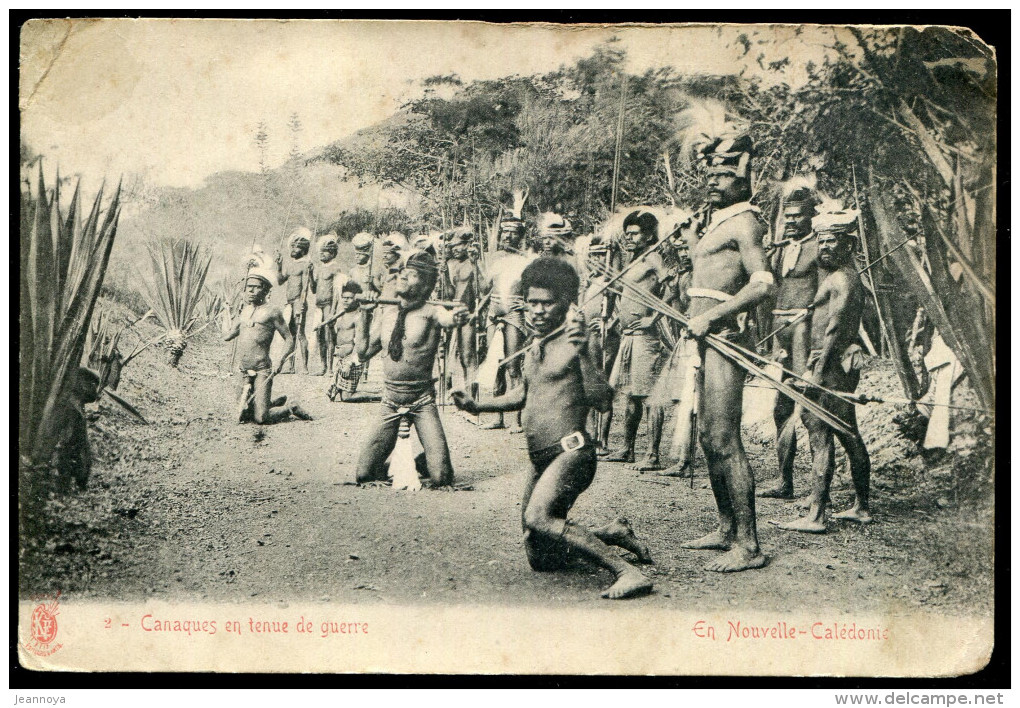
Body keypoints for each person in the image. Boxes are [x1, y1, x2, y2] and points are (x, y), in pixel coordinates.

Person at [452, 257, 653, 600]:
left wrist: (585, 355)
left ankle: (627, 571)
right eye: (532, 302)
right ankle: (611, 532)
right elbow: (524, 394)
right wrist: (478, 405)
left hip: (571, 452)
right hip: (540, 457)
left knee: (538, 517)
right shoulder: (536, 343)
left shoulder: (578, 340)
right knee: (540, 557)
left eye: (547, 303)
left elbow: (603, 401)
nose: (537, 311)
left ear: (566, 303)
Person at [680, 132, 772, 572]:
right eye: (710, 174)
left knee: (724, 437)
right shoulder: (718, 220)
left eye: (724, 175)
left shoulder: (745, 222)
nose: (714, 182)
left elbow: (763, 283)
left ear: (744, 177)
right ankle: (726, 528)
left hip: (724, 337)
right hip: (702, 336)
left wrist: (713, 318)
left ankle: (750, 545)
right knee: (707, 437)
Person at [776, 210, 872, 533]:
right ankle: (860, 506)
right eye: (822, 240)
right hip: (828, 363)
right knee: (846, 432)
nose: (826, 246)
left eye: (834, 240)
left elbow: (834, 330)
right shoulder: (836, 275)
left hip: (830, 364)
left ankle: (816, 514)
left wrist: (816, 373)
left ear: (849, 244)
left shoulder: (843, 279)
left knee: (819, 431)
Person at [353, 250, 469, 486]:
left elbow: (449, 320)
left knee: (441, 477)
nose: (403, 277)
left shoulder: (432, 312)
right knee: (364, 474)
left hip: (421, 400)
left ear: (426, 285)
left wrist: (458, 317)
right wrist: (364, 315)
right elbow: (363, 352)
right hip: (390, 400)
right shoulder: (387, 313)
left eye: (413, 275)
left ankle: (421, 461)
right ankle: (399, 463)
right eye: (402, 272)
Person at [758, 186, 820, 499]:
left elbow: (826, 293)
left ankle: (817, 489)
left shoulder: (820, 246)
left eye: (798, 216)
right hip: (779, 327)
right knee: (780, 407)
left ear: (811, 216)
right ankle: (785, 481)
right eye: (788, 217)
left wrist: (810, 318)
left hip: (802, 329)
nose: (792, 221)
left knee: (806, 407)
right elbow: (771, 288)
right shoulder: (783, 247)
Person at [605, 210, 669, 472]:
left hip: (646, 337)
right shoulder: (634, 259)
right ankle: (627, 449)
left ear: (649, 235)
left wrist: (653, 319)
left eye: (635, 233)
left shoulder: (653, 257)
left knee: (650, 396)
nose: (629, 238)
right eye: (627, 233)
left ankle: (653, 455)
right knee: (631, 395)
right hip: (628, 335)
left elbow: (671, 288)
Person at [225, 267, 312, 424]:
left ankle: (290, 407)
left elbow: (289, 339)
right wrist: (229, 313)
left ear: (265, 290)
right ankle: (273, 402)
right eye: (248, 287)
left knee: (260, 419)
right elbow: (228, 336)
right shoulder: (243, 311)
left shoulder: (272, 312)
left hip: (261, 369)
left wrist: (280, 360)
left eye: (256, 287)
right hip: (243, 369)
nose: (251, 291)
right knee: (243, 414)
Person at [479, 214, 532, 431]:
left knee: (513, 367)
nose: (507, 236)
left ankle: (517, 420)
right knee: (496, 365)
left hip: (514, 316)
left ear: (520, 236)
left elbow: (534, 290)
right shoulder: (495, 259)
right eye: (505, 232)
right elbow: (484, 289)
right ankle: (497, 418)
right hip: (493, 314)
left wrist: (526, 306)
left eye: (512, 233)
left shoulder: (527, 261)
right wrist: (478, 263)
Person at [49, 367, 102, 491]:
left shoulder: (77, 406)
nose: (94, 389)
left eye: (95, 385)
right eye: (91, 384)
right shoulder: (70, 408)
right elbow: (65, 443)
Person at [444, 227, 480, 396]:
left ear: (467, 244)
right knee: (448, 352)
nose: (455, 249)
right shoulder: (452, 264)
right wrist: (444, 274)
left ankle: (471, 395)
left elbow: (481, 289)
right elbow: (451, 293)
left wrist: (475, 264)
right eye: (452, 246)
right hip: (454, 311)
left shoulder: (474, 262)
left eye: (458, 245)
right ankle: (453, 390)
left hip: (469, 311)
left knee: (468, 356)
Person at [275, 227, 313, 374]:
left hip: (298, 302)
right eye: (292, 246)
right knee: (290, 335)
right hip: (289, 303)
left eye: (296, 247)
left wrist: (302, 303)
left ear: (303, 250)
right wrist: (279, 265)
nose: (293, 249)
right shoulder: (290, 265)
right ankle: (290, 366)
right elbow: (280, 280)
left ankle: (304, 366)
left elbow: (304, 287)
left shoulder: (305, 265)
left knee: (300, 333)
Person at [309, 234, 348, 376]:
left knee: (329, 335)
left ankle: (331, 368)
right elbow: (313, 289)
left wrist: (333, 311)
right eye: (321, 251)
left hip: (329, 305)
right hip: (319, 305)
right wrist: (309, 274)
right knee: (320, 336)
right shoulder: (318, 269)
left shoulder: (335, 268)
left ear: (332, 253)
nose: (322, 254)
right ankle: (323, 366)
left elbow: (337, 291)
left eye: (325, 251)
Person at [328, 280, 365, 402]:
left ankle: (378, 396)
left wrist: (349, 364)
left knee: (346, 397)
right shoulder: (342, 314)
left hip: (352, 361)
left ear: (356, 299)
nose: (345, 300)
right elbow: (335, 340)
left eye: (349, 298)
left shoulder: (358, 317)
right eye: (344, 297)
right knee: (332, 394)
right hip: (340, 359)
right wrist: (330, 328)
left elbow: (359, 343)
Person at [348, 232, 378, 296]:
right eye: (356, 254)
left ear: (368, 255)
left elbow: (381, 291)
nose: (357, 256)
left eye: (360, 254)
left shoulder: (373, 270)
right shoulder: (352, 271)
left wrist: (374, 282)